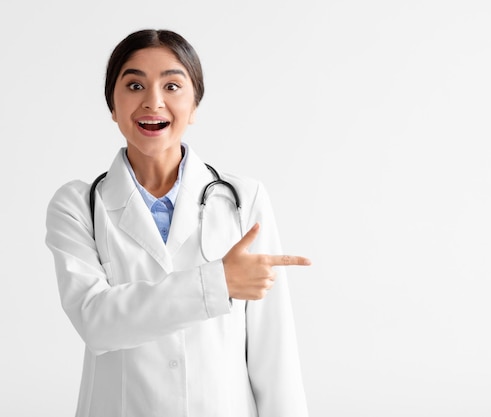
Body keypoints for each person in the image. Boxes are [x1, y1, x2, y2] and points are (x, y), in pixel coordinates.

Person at [45, 29, 311, 417]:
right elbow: (97, 322)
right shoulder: (78, 206)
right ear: (113, 106)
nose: (153, 101)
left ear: (195, 104)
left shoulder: (244, 200)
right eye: (135, 84)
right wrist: (217, 282)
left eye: (172, 85)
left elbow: (275, 352)